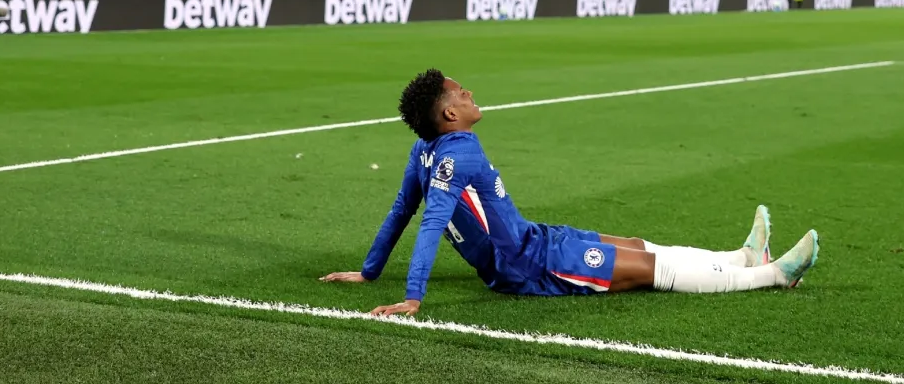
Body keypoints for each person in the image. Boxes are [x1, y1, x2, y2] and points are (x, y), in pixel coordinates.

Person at [320, 70, 819, 315]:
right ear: (449, 114)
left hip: (535, 240)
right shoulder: (460, 152)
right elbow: (428, 220)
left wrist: (369, 273)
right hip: (531, 264)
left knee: (636, 246)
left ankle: (742, 257)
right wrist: (413, 297)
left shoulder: (424, 153)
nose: (469, 92)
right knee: (653, 271)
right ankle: (774, 276)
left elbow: (401, 211)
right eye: (460, 93)